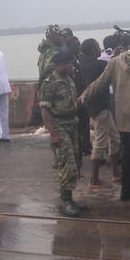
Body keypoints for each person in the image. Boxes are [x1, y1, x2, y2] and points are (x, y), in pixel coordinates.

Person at [80, 29, 130, 204]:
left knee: (127, 154)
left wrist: (83, 97)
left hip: (121, 114)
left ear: (125, 44)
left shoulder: (114, 62)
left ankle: (126, 190)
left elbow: (99, 84)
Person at [39, 51, 84, 217]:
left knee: (76, 162)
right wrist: (53, 134)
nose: (70, 66)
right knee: (67, 163)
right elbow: (45, 110)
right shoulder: (49, 83)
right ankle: (66, 200)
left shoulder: (69, 81)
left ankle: (70, 198)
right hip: (59, 125)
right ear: (57, 66)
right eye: (66, 63)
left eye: (71, 63)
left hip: (72, 123)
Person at [80, 38, 120, 187]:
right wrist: (115, 55)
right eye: (97, 47)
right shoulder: (96, 65)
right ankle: (94, 179)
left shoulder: (85, 63)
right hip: (100, 107)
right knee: (100, 142)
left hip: (99, 107)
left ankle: (116, 173)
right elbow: (111, 65)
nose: (100, 49)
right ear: (92, 50)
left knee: (115, 138)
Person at [66, 36, 92, 156]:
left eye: (79, 44)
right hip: (74, 95)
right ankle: (79, 147)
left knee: (85, 121)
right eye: (75, 45)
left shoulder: (81, 57)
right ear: (69, 47)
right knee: (77, 125)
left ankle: (86, 145)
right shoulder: (67, 61)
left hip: (83, 94)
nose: (78, 46)